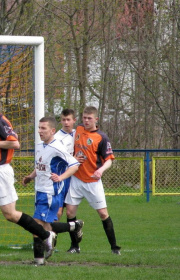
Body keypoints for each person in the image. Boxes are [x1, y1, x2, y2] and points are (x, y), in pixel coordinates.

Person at [0, 96, 56, 257]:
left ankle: (46, 235)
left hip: (0, 172)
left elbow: (15, 143)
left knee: (10, 214)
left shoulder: (1, 122)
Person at [22, 116, 84, 265]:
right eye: (39, 128)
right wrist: (30, 177)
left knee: (36, 224)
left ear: (52, 131)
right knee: (44, 225)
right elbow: (41, 166)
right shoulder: (40, 145)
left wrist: (61, 177)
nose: (40, 131)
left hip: (51, 192)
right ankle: (74, 226)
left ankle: (41, 254)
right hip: (39, 190)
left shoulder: (58, 146)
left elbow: (74, 164)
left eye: (43, 128)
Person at [65, 106, 121, 255]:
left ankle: (114, 247)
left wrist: (100, 170)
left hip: (92, 181)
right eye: (84, 118)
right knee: (70, 212)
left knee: (103, 214)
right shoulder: (78, 130)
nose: (86, 121)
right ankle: (75, 246)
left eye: (89, 118)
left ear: (96, 119)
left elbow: (109, 160)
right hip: (76, 179)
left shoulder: (102, 137)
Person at [54, 109, 77, 220]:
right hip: (61, 177)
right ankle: (52, 236)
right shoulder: (57, 138)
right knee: (58, 213)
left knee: (70, 212)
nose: (66, 122)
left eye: (68, 120)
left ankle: (75, 233)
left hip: (75, 178)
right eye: (64, 120)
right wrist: (74, 159)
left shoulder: (78, 134)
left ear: (74, 120)